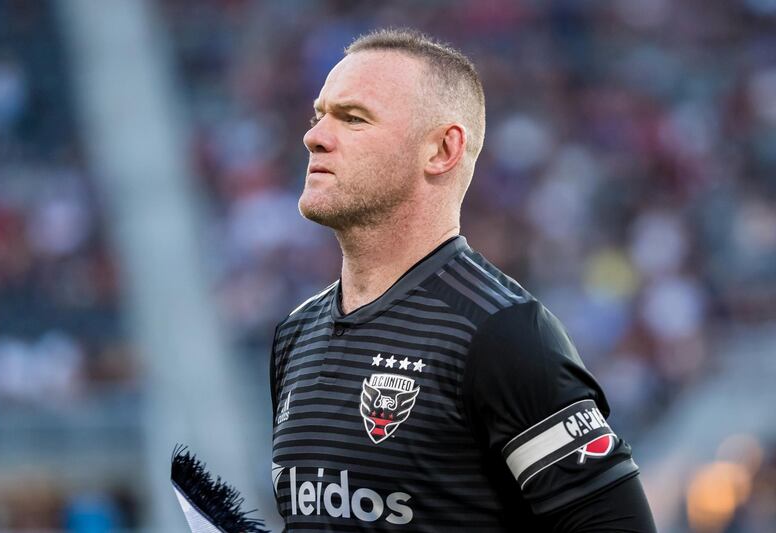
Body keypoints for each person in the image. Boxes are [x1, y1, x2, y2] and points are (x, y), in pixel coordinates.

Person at [270, 28, 657, 532]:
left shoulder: (504, 334)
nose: (315, 135)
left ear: (441, 150)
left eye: (353, 118)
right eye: (319, 114)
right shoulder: (295, 336)